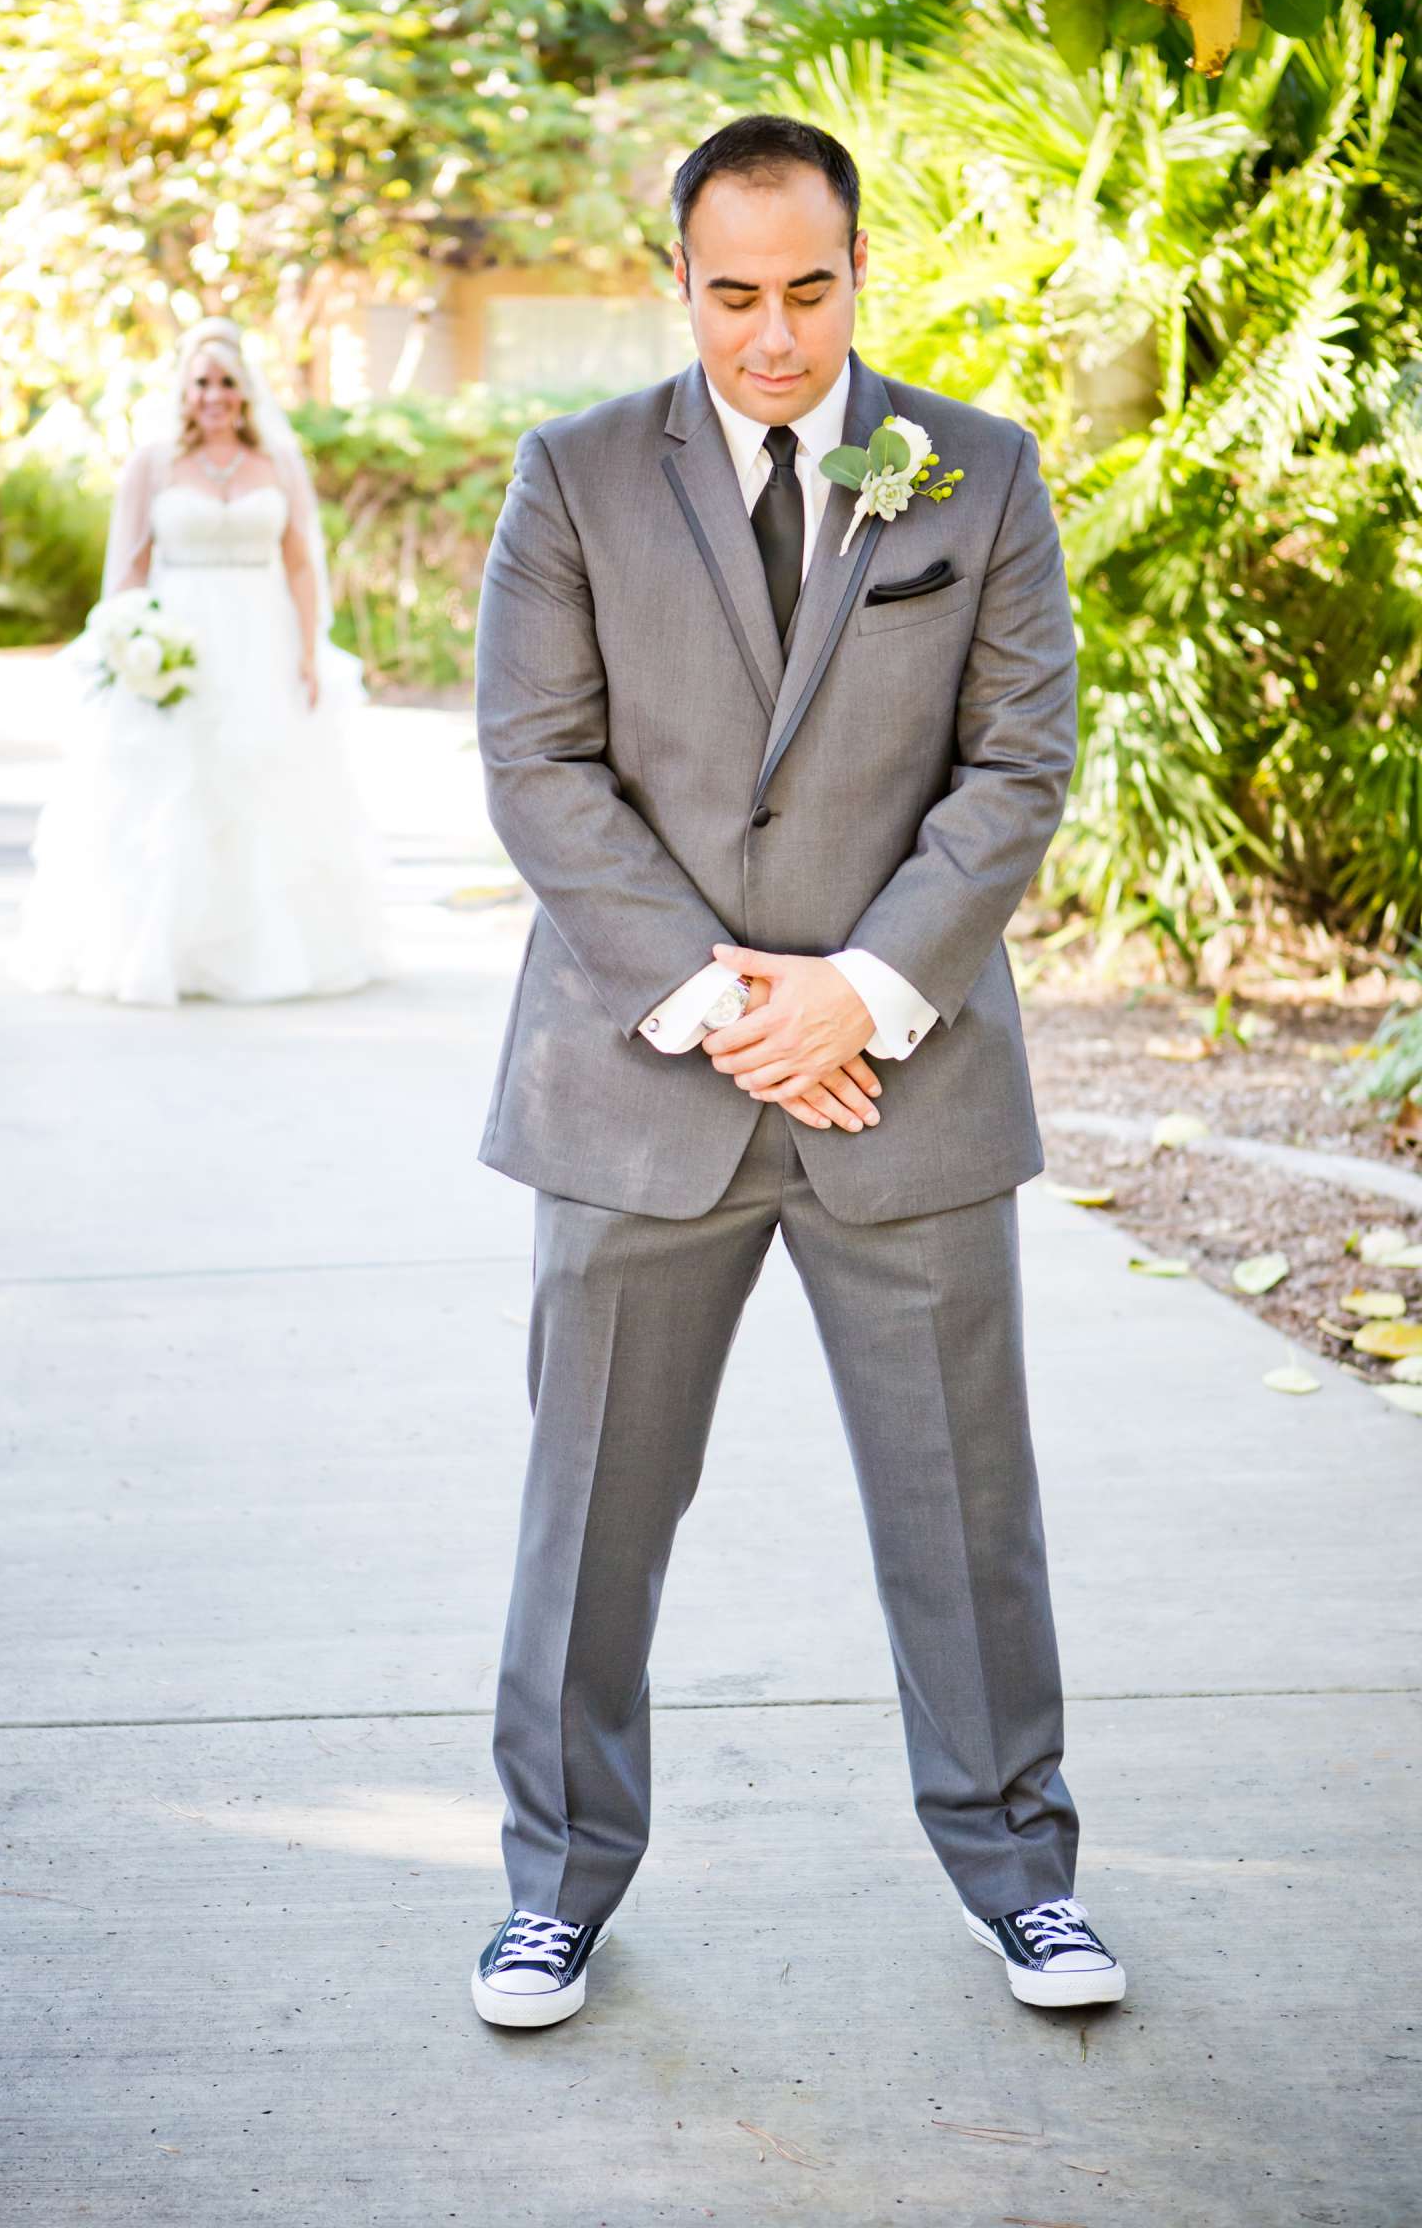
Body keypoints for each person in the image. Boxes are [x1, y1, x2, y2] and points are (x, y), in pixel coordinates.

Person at [469, 115, 1125, 2029]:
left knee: (964, 1514)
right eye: (733, 293)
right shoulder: (574, 477)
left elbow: (1016, 769)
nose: (775, 335)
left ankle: (1026, 1878)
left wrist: (860, 991)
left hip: (901, 1087)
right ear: (678, 281)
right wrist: (723, 1004)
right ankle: (554, 1886)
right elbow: (538, 768)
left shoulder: (978, 474)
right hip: (638, 1089)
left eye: (810, 288)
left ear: (861, 269)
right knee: (589, 1516)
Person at [12, 317, 385, 1006]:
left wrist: (306, 651)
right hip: (176, 640)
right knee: (172, 791)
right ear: (184, 391)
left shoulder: (277, 461)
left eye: (226, 383)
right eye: (201, 383)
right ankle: (163, 952)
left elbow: (301, 565)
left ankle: (263, 951)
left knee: (259, 783)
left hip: (261, 639)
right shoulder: (151, 464)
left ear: (246, 391)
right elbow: (127, 569)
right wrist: (128, 647)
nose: (214, 396)